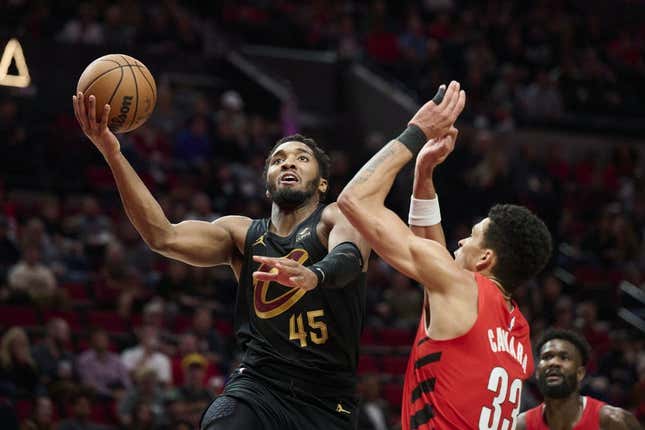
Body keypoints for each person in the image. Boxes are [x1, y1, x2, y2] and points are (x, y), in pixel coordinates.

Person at [72, 92, 370, 430]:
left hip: (327, 403)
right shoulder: (242, 235)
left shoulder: (336, 218)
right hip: (258, 389)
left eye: (302, 158)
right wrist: (114, 154)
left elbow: (350, 256)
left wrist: (315, 274)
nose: (288, 162)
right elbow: (162, 237)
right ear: (268, 188)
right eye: (278, 159)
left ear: (322, 183)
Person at [338, 81, 552, 429]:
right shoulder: (519, 329)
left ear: (485, 260)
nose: (461, 242)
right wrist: (424, 175)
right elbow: (436, 264)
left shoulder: (459, 288)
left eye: (472, 236)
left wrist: (416, 132)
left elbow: (355, 200)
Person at [517, 329, 640, 429]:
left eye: (564, 357)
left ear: (580, 373)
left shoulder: (613, 422)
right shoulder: (521, 425)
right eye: (547, 357)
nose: (553, 363)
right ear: (538, 372)